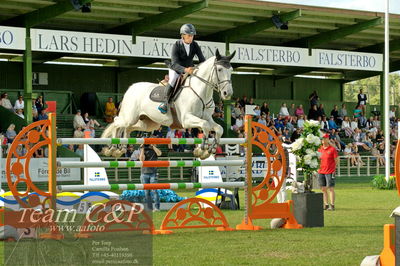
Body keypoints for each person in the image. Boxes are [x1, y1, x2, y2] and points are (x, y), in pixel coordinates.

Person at [158, 23, 206, 114]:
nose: (191, 37)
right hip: (176, 69)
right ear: (183, 35)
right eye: (189, 35)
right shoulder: (176, 45)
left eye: (192, 36)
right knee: (172, 80)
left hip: (189, 69)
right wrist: (185, 70)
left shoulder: (195, 45)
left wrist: (201, 68)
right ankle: (165, 103)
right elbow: (174, 64)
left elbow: (202, 60)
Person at [318, 133, 338, 211]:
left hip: (330, 171)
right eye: (322, 139)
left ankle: (332, 205)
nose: (323, 140)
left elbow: (336, 160)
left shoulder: (332, 149)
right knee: (323, 188)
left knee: (331, 188)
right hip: (321, 171)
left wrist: (334, 169)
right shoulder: (319, 149)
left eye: (325, 138)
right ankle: (326, 204)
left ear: (328, 139)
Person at [139, 142, 162, 211]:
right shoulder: (143, 150)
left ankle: (157, 208)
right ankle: (149, 208)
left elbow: (159, 153)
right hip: (144, 173)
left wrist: (153, 146)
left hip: (153, 173)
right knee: (146, 192)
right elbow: (141, 159)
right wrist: (142, 148)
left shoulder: (155, 150)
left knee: (155, 191)